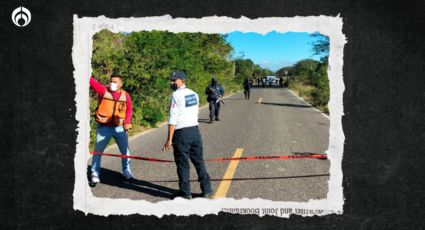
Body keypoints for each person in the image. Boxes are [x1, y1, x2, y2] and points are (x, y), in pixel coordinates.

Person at [162, 71, 212, 199]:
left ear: (182, 80)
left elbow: (173, 118)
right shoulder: (194, 94)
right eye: (171, 80)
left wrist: (169, 139)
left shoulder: (176, 95)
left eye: (174, 80)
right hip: (194, 132)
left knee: (183, 164)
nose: (172, 83)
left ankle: (185, 193)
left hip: (181, 133)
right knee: (199, 161)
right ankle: (206, 189)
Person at [89, 74, 134, 184]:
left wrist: (127, 122)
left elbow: (129, 110)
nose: (112, 84)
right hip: (104, 127)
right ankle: (95, 172)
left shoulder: (125, 95)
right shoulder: (103, 90)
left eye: (115, 82)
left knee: (125, 151)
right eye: (111, 81)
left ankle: (127, 171)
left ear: (120, 84)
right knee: (98, 152)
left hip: (119, 128)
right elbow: (91, 82)